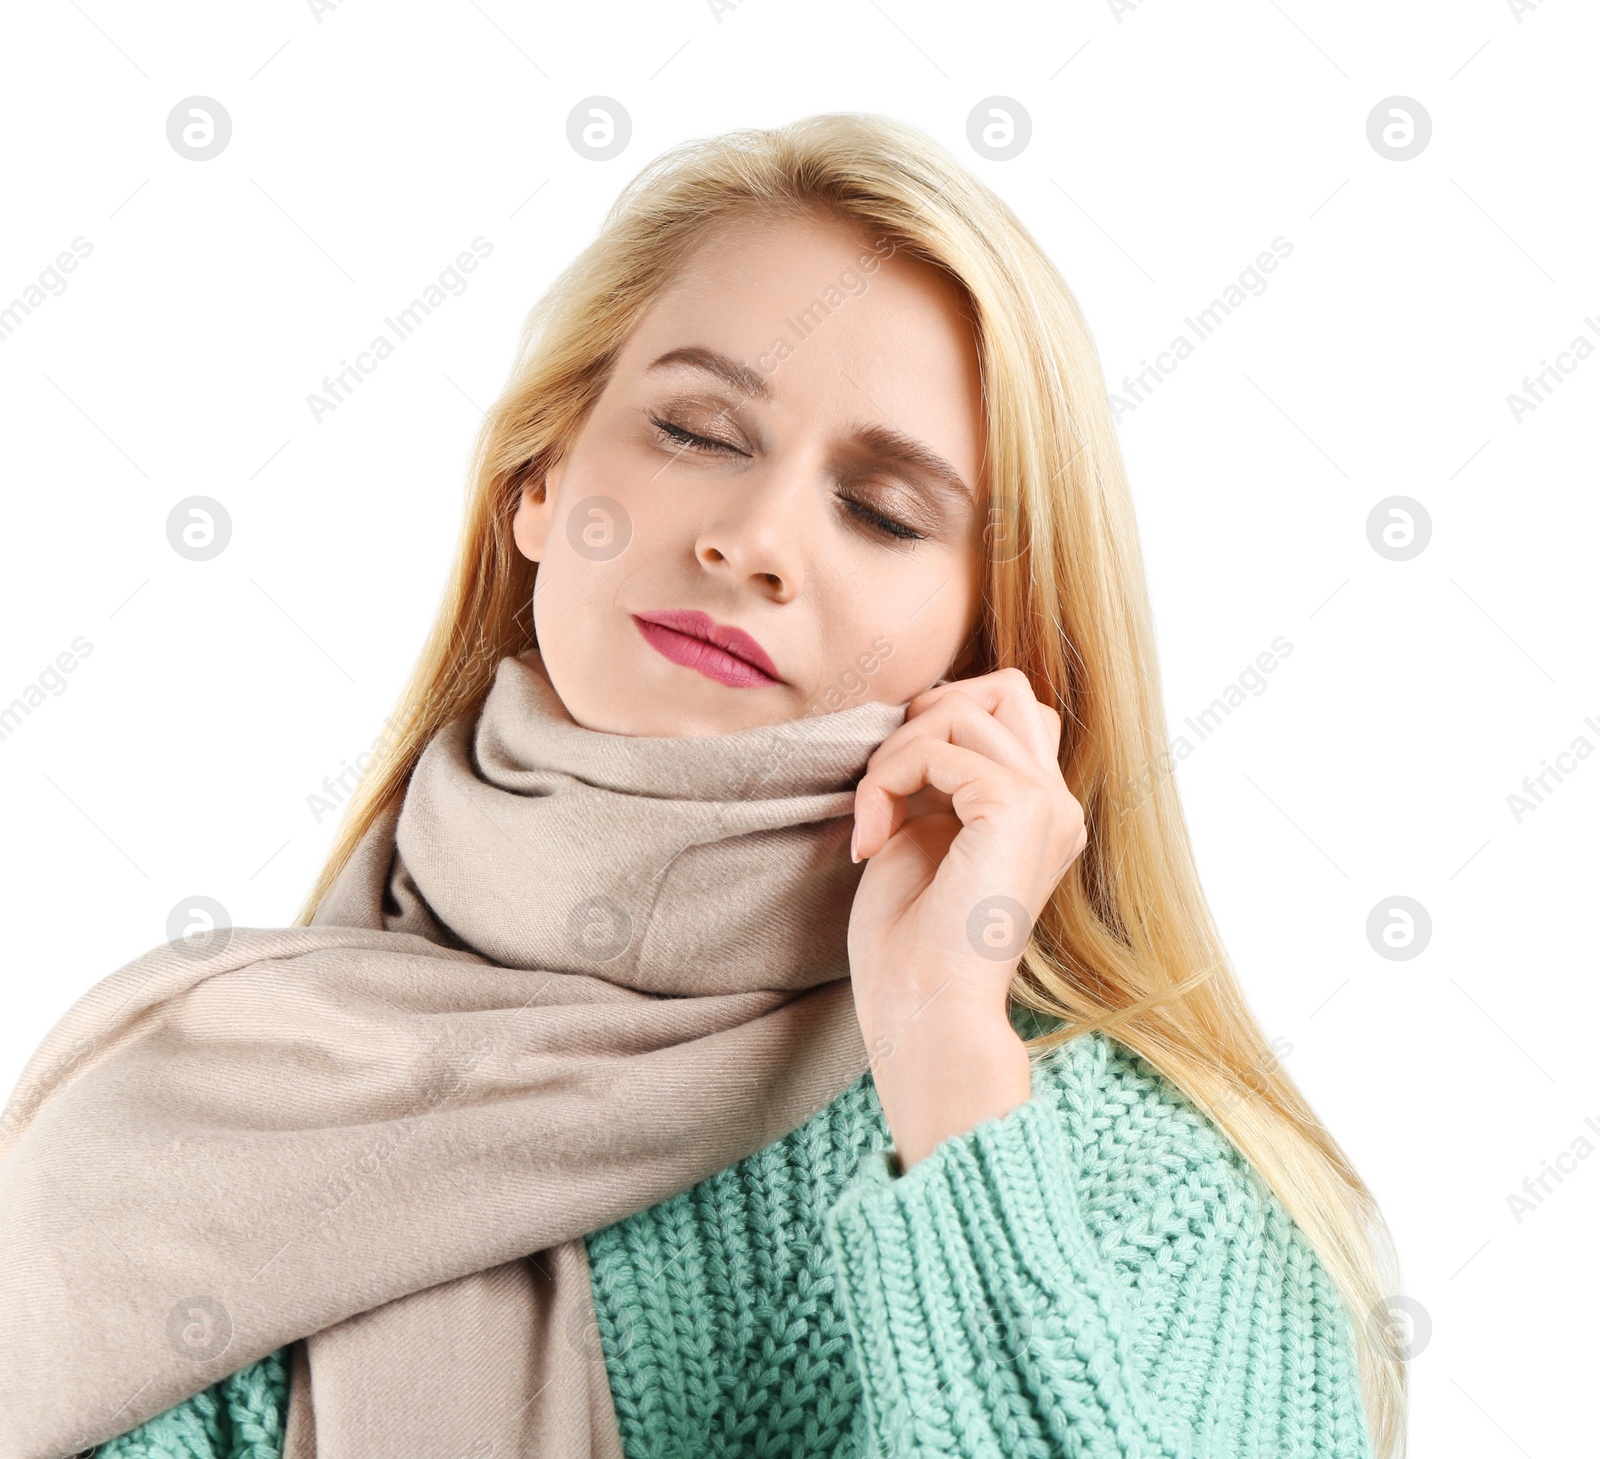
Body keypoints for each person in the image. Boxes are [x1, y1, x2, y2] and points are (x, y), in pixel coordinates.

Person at [0, 112, 1403, 1459]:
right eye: (698, 431)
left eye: (883, 510)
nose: (755, 536)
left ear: (993, 650)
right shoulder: (190, 1117)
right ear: (539, 482)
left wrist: (944, 1050)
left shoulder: (1148, 1185)